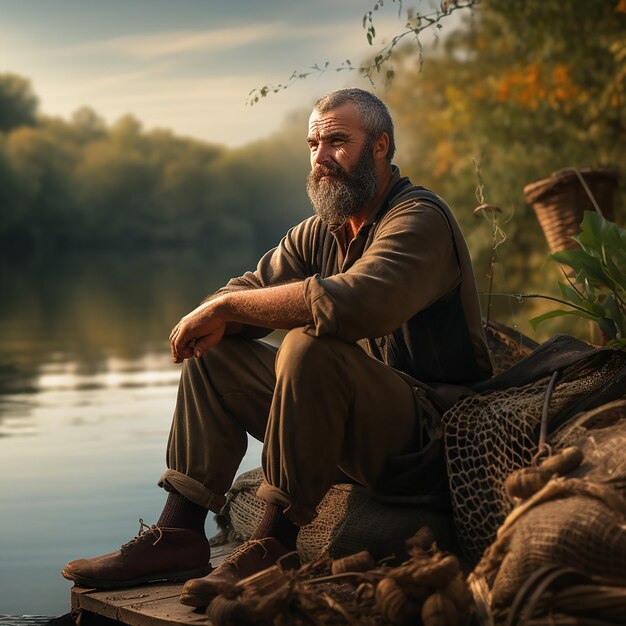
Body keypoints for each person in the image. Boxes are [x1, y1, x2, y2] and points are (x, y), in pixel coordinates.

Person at [62, 88, 492, 607]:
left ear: (380, 148)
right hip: (347, 427)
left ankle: (274, 544)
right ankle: (179, 534)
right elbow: (247, 289)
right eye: (313, 144)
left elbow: (355, 303)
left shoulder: (419, 219)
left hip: (428, 434)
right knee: (216, 350)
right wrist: (217, 312)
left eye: (337, 141)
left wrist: (228, 310)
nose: (321, 157)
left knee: (309, 347)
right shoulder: (322, 233)